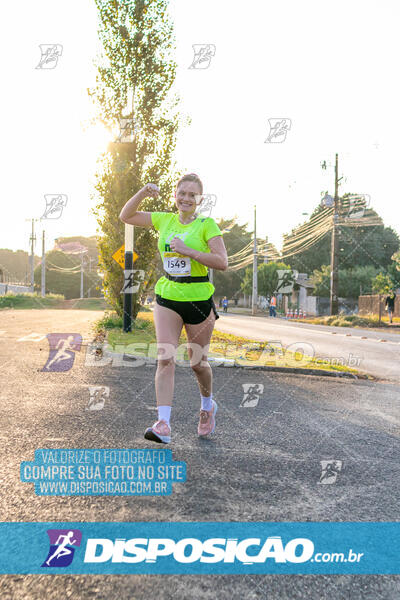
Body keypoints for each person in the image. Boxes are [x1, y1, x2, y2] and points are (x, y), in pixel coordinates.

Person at [119, 174, 228, 444]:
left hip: (198, 299)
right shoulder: (164, 219)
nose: (186, 199)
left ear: (200, 200)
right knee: (165, 357)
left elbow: (222, 262)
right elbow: (126, 216)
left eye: (193, 195)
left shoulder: (207, 225)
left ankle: (207, 407)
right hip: (167, 295)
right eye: (183, 193)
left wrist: (189, 251)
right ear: (175, 195)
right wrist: (143, 192)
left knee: (197, 364)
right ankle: (163, 424)